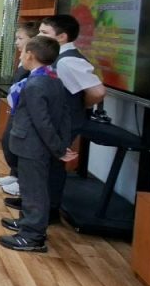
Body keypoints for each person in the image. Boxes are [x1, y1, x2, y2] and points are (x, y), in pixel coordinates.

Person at [8, 14, 106, 221]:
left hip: (57, 122)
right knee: (40, 167)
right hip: (47, 121)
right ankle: (33, 205)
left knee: (51, 166)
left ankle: (48, 210)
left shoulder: (69, 60)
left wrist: (80, 106)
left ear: (62, 37)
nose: (38, 36)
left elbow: (97, 92)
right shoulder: (52, 56)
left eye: (44, 32)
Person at [0, 36, 77, 252]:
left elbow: (42, 122)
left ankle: (32, 236)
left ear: (30, 55)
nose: (20, 56)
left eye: (23, 52)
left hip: (32, 145)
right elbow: (64, 115)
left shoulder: (35, 84)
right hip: (37, 145)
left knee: (34, 191)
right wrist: (62, 143)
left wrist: (58, 148)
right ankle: (27, 222)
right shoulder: (53, 78)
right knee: (29, 187)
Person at [0, 22, 41, 196]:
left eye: (20, 38)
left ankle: (21, 181)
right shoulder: (23, 59)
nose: (16, 42)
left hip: (24, 112)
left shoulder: (35, 63)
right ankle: (15, 174)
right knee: (9, 142)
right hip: (16, 108)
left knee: (18, 146)